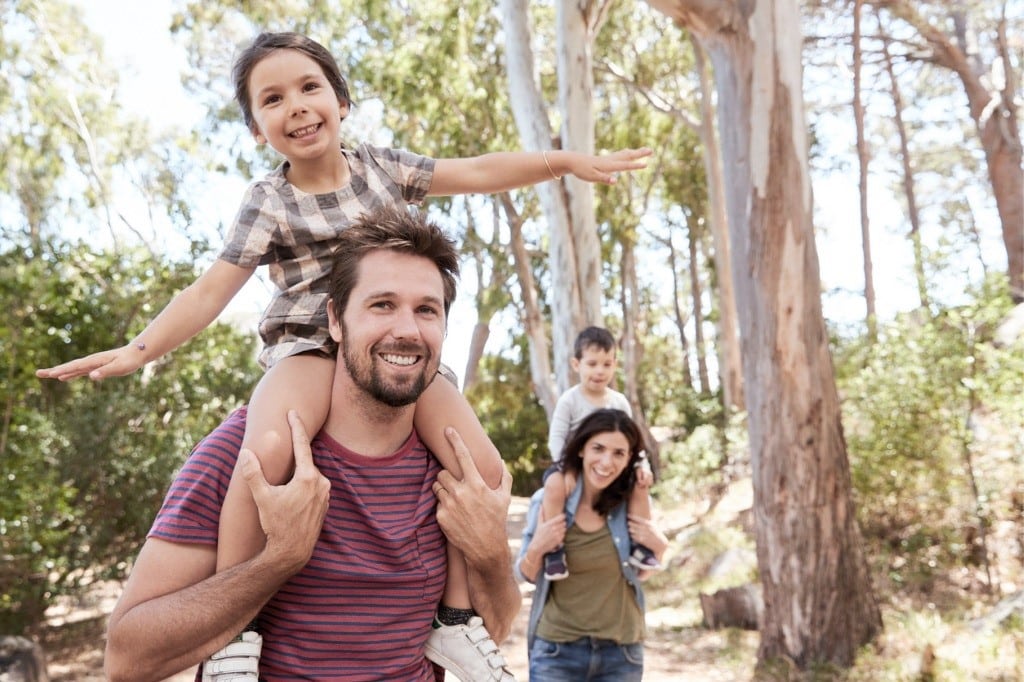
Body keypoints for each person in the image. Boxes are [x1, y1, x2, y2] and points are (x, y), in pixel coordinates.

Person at [36, 31, 650, 678]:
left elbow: (476, 170)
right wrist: (139, 350)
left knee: (487, 474)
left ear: (342, 102)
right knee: (265, 453)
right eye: (272, 99)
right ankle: (236, 637)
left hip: (397, 358)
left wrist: (566, 161)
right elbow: (213, 288)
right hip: (306, 347)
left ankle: (454, 623)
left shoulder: (382, 169)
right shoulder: (267, 201)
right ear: (254, 128)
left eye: (309, 88)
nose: (296, 106)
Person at [103, 206, 521, 681]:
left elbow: (499, 627)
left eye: (426, 309)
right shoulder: (244, 453)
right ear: (336, 321)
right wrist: (276, 562)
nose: (407, 329)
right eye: (382, 304)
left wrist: (491, 553)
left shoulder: (453, 470)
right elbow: (126, 660)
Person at [516, 409, 669, 681]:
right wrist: (538, 547)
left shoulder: (631, 504)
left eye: (619, 453)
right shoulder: (548, 501)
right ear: (582, 449)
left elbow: (640, 573)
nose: (606, 462)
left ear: (629, 460)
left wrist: (660, 547)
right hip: (556, 652)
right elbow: (525, 574)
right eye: (598, 448)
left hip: (621, 654)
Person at [541, 326, 661, 581]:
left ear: (615, 365)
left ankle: (641, 545)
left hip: (610, 464)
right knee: (553, 485)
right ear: (576, 364)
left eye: (607, 364)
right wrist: (567, 469)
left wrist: (642, 464)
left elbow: (632, 441)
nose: (599, 371)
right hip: (572, 462)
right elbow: (556, 440)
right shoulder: (570, 400)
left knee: (640, 485)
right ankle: (554, 551)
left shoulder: (618, 402)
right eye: (592, 363)